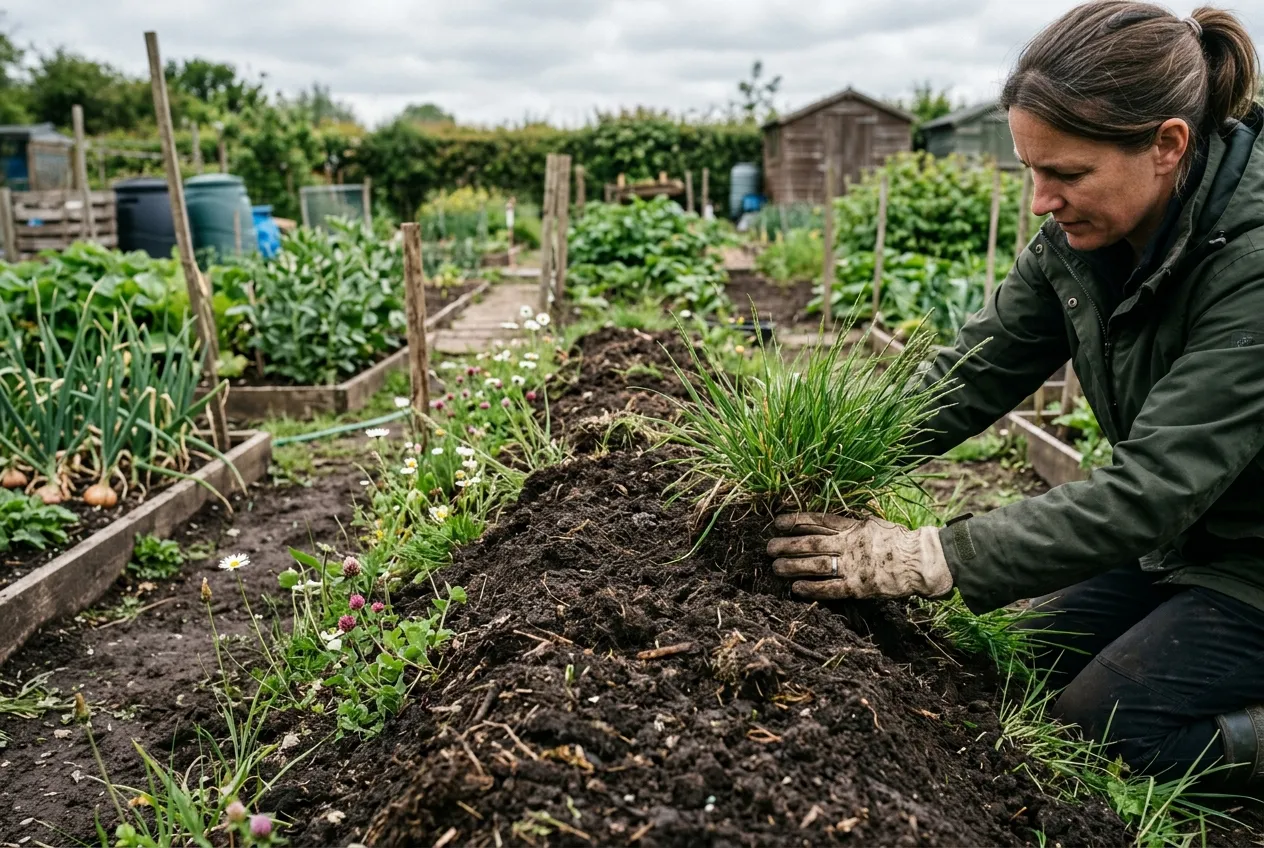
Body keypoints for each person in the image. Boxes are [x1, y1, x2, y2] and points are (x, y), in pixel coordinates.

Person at [766, 1, 1264, 790]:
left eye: (1066, 174)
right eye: (1031, 170)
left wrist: (932, 554)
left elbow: (1153, 488)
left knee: (1103, 733)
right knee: (1007, 671)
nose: (1040, 200)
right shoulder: (1082, 242)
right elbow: (967, 376)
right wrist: (807, 460)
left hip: (1250, 562)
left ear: (1168, 145)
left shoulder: (1253, 265)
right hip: (1187, 543)